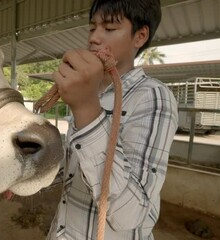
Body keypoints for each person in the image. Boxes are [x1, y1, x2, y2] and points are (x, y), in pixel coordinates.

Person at [47, 0, 178, 239]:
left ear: (140, 36)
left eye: (109, 29)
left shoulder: (152, 96)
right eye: (92, 28)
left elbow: (130, 213)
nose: (94, 38)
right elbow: (71, 171)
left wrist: (86, 107)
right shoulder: (92, 92)